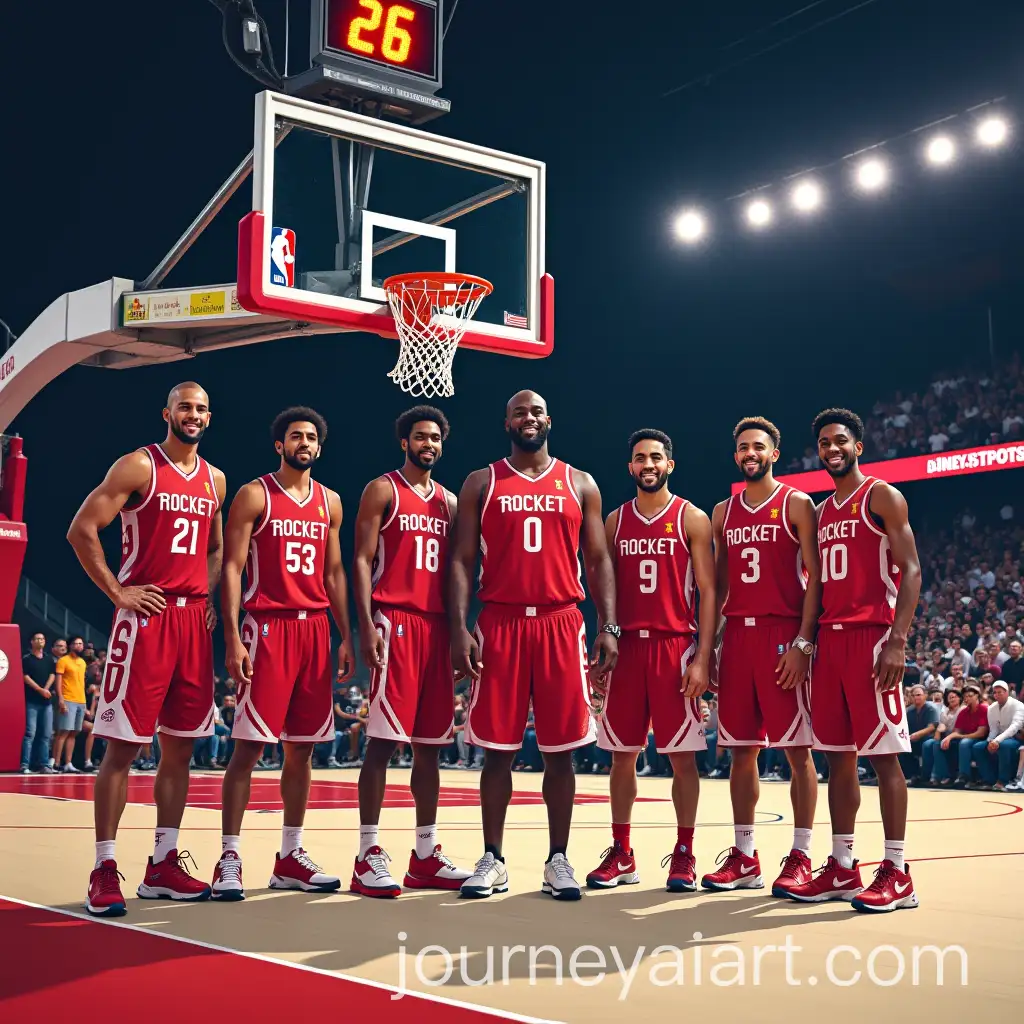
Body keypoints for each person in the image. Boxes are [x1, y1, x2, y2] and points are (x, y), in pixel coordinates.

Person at [449, 391, 618, 901]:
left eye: (538, 411)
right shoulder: (483, 481)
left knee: (560, 752)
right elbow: (460, 561)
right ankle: (493, 858)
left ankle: (558, 860)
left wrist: (609, 625)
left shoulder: (580, 482)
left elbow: (599, 559)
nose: (530, 418)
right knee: (497, 752)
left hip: (560, 621)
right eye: (521, 411)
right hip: (500, 621)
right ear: (507, 423)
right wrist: (461, 627)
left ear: (550, 419)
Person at [67, 382, 225, 917]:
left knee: (180, 746)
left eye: (202, 408)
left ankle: (162, 865)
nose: (194, 414)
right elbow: (82, 529)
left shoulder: (216, 480)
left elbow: (217, 546)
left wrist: (207, 596)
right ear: (167, 413)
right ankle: (105, 867)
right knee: (122, 747)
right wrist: (118, 592)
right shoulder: (139, 465)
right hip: (146, 620)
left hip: (191, 624)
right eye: (185, 406)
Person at [212, 407, 355, 901]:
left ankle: (290, 856)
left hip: (315, 631)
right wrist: (232, 636)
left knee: (303, 750)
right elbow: (231, 567)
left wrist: (346, 635)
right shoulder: (255, 495)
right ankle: (228, 857)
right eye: (296, 436)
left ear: (320, 446)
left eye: (312, 436)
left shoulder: (331, 502)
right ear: (280, 445)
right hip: (267, 628)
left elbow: (334, 574)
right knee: (248, 749)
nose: (305, 442)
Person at [787, 408, 922, 913]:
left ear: (858, 445)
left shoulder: (882, 495)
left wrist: (897, 639)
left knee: (884, 759)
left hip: (871, 639)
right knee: (837, 759)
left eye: (840, 440)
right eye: (823, 443)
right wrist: (806, 642)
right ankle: (843, 867)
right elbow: (817, 584)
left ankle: (897, 871)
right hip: (830, 642)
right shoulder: (821, 512)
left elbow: (911, 570)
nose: (831, 449)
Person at [586, 429, 715, 892]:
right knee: (621, 758)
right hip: (626, 650)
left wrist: (702, 656)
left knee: (683, 760)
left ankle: (684, 854)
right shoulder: (615, 522)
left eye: (656, 457)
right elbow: (604, 588)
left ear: (669, 465)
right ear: (630, 467)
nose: (648, 464)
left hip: (672, 646)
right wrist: (603, 638)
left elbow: (709, 591)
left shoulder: (692, 518)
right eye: (640, 457)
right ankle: (621, 853)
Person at [350, 406, 470, 897]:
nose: (429, 445)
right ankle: (367, 854)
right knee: (380, 741)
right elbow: (359, 559)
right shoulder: (382, 489)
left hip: (437, 629)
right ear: (405, 442)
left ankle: (424, 854)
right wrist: (366, 627)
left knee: (431, 747)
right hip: (394, 621)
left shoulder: (451, 502)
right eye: (421, 437)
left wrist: (464, 629)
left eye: (436, 438)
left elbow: (459, 570)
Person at [701, 417, 821, 897]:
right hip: (738, 640)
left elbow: (816, 579)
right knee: (740, 752)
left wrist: (803, 643)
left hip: (781, 634)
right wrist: (709, 644)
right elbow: (719, 586)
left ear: (774, 453)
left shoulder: (796, 503)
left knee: (797, 751)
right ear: (736, 456)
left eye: (759, 447)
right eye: (743, 448)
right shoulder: (721, 512)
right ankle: (745, 856)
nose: (751, 453)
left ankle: (801, 856)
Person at [21, 632, 55, 774]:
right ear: (32, 642)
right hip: (32, 701)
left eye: (42, 638)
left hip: (46, 702)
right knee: (30, 733)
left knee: (46, 734)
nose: (40, 641)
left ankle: (44, 764)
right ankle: (25, 764)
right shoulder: (27, 659)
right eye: (37, 639)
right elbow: (25, 677)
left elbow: (52, 675)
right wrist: (40, 690)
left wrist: (46, 689)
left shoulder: (48, 659)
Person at [52, 636, 88, 772]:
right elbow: (58, 681)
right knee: (63, 732)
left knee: (74, 732)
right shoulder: (63, 661)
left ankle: (68, 763)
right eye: (76, 643)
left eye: (81, 643)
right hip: (68, 698)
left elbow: (82, 683)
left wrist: (84, 703)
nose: (79, 646)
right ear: (70, 646)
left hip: (80, 700)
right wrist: (61, 699)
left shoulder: (83, 662)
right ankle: (56, 763)